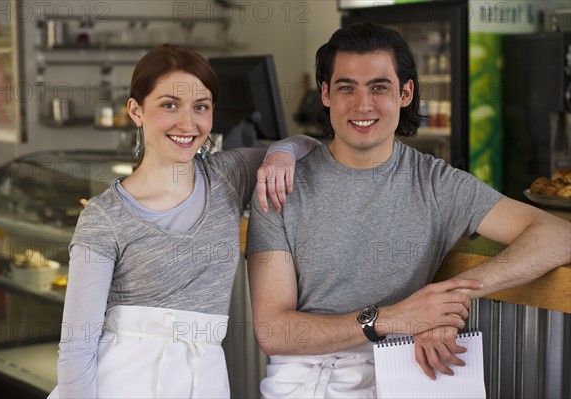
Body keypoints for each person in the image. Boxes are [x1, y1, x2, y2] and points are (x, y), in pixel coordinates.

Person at [245, 22, 571, 398]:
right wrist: (395, 317)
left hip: (407, 375)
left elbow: (558, 235)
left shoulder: (438, 183)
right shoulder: (279, 186)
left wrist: (448, 299)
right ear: (325, 94)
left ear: (405, 92)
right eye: (346, 87)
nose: (363, 105)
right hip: (305, 384)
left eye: (379, 87)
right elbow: (274, 331)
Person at [48, 44, 319, 399]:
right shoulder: (104, 217)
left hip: (204, 381)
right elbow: (77, 347)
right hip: (123, 384)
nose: (187, 123)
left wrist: (280, 154)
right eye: (169, 105)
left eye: (201, 107)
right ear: (136, 110)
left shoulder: (228, 176)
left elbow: (312, 146)